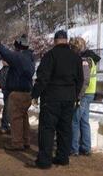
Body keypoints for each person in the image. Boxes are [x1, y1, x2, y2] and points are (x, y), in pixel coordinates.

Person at [31, 30, 84, 168]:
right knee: (65, 128)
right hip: (69, 98)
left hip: (51, 98)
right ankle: (62, 157)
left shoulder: (50, 56)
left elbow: (43, 78)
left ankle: (44, 161)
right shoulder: (76, 57)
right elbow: (80, 80)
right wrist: (75, 95)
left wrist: (35, 94)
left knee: (47, 129)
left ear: (55, 41)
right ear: (66, 40)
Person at [0, 34, 35, 151]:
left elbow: (6, 54)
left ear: (19, 47)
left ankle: (17, 143)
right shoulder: (30, 58)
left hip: (18, 92)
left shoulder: (19, 57)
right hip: (27, 92)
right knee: (24, 117)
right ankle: (25, 140)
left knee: (16, 118)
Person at [69, 37, 101, 157]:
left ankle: (74, 148)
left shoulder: (84, 60)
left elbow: (84, 79)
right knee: (84, 121)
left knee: (74, 121)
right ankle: (86, 147)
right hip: (90, 93)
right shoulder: (90, 59)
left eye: (72, 48)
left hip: (84, 94)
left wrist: (78, 95)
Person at [0, 59, 11, 134]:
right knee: (7, 108)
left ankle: (5, 126)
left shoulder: (12, 69)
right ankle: (5, 125)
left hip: (11, 91)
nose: (3, 62)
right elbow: (0, 81)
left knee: (7, 109)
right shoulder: (1, 71)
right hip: (5, 92)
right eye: (3, 60)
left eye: (5, 60)